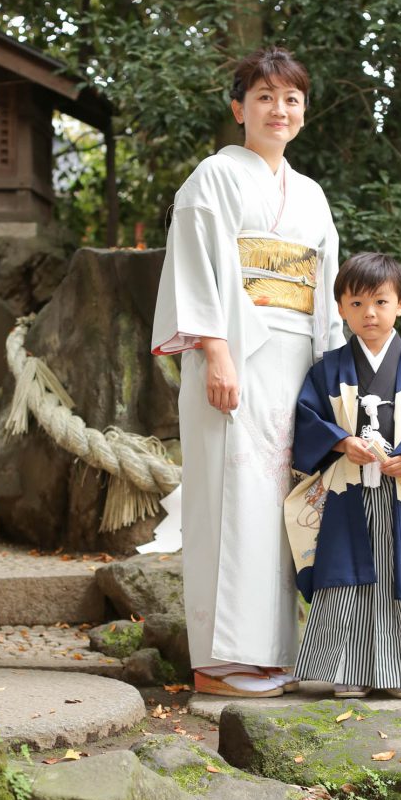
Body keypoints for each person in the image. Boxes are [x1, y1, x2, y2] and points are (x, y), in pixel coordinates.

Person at [151, 47, 345, 697]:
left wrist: (332, 371)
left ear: (303, 112)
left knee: (278, 506)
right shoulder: (212, 177)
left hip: (294, 358)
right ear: (239, 108)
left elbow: (323, 289)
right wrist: (216, 353)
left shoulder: (311, 196)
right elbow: (197, 269)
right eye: (264, 96)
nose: (278, 109)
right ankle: (219, 662)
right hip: (234, 350)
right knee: (229, 500)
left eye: (290, 99)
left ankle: (272, 654)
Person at [284, 252, 401, 698]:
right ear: (340, 308)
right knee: (344, 575)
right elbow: (308, 417)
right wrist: (342, 442)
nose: (369, 314)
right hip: (347, 489)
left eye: (380, 301)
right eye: (356, 304)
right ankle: (347, 671)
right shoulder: (327, 369)